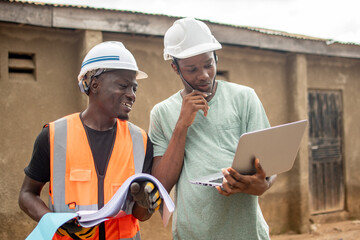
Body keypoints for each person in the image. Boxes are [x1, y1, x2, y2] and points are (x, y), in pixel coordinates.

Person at [19, 41, 161, 240]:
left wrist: (145, 205)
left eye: (134, 88)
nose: (132, 95)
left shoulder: (141, 141)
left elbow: (140, 214)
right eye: (123, 85)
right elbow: (26, 195)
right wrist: (53, 222)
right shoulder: (54, 136)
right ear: (95, 84)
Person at [149, 18, 277, 239]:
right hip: (192, 233)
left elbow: (270, 166)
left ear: (216, 57)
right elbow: (161, 184)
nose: (204, 75)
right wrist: (181, 125)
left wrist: (262, 185)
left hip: (246, 232)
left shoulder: (244, 98)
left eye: (209, 64)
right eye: (191, 69)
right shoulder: (161, 113)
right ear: (175, 67)